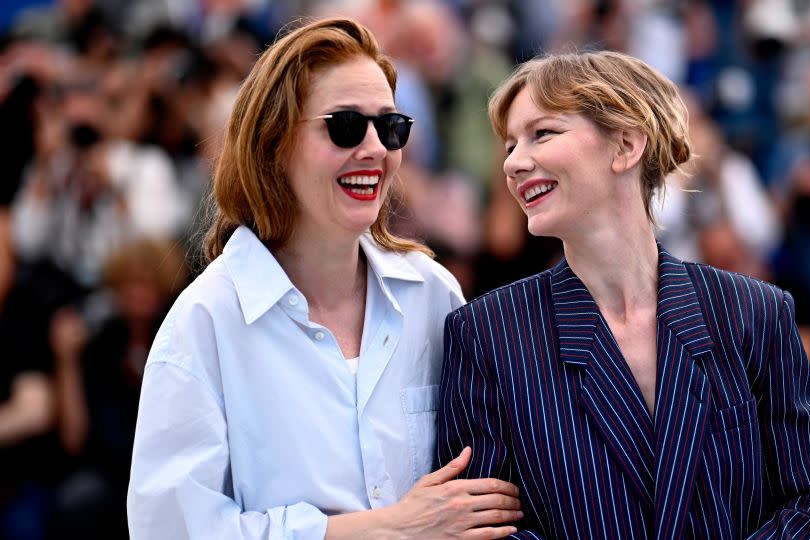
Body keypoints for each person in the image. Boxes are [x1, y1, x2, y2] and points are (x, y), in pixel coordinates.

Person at [437, 50, 810, 539]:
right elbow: (476, 527)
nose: (513, 163)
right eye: (510, 145)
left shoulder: (756, 312)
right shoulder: (485, 333)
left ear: (626, 146)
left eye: (542, 134)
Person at [127, 18, 522, 539]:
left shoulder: (434, 294)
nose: (376, 148)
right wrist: (383, 530)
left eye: (391, 127)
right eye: (344, 126)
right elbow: (169, 530)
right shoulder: (204, 322)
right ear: (274, 144)